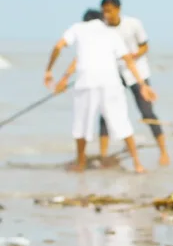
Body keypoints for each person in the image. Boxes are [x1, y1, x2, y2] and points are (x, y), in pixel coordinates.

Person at [44, 9, 155, 173]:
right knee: (122, 122)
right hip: (111, 83)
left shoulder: (78, 28)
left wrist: (49, 71)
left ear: (84, 20)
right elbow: (128, 61)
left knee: (81, 124)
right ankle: (138, 164)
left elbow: (58, 46)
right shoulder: (111, 33)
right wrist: (143, 84)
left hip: (86, 82)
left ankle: (80, 164)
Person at [98, 0, 169, 166]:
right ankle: (102, 155)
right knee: (105, 114)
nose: (107, 14)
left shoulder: (133, 24)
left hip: (137, 73)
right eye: (104, 11)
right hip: (114, 74)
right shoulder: (102, 28)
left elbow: (145, 45)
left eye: (110, 10)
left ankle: (164, 152)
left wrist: (134, 55)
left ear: (118, 9)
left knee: (147, 113)